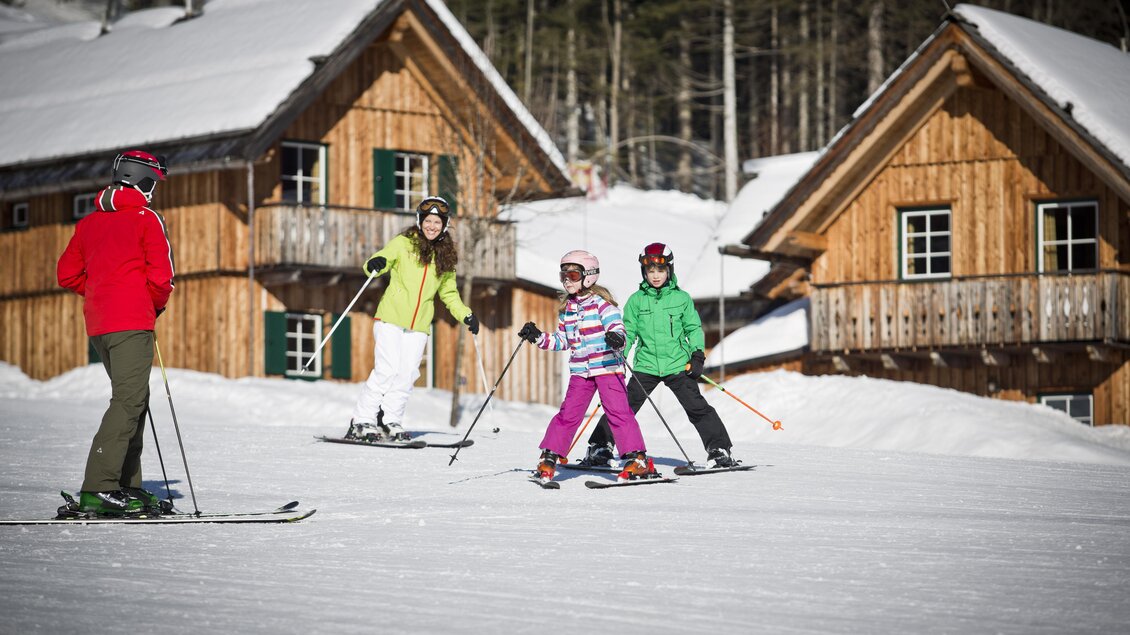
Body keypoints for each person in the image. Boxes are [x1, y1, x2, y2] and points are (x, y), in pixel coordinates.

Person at [56, 150, 175, 515]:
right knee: (128, 401)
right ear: (141, 180)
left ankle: (125, 485)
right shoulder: (146, 219)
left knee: (133, 399)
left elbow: (67, 274)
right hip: (132, 322)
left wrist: (103, 291)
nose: (154, 190)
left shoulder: (89, 223)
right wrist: (148, 303)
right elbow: (162, 277)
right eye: (152, 182)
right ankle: (100, 486)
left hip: (100, 324)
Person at [578, 242, 740, 469]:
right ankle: (600, 446)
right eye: (650, 271)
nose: (655, 276)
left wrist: (697, 356)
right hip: (646, 366)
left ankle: (719, 450)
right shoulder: (636, 300)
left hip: (677, 365)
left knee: (697, 407)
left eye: (660, 271)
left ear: (669, 270)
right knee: (621, 407)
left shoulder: (681, 299)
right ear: (644, 272)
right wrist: (617, 359)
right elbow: (629, 332)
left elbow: (693, 328)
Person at [346, 196, 479, 442]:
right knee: (386, 370)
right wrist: (375, 263)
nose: (432, 226)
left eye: (437, 222)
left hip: (419, 324)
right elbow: (381, 260)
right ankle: (361, 421)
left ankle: (390, 421)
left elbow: (449, 293)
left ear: (445, 225)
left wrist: (465, 314)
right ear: (419, 221)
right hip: (391, 317)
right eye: (427, 221)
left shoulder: (446, 257)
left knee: (407, 374)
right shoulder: (404, 243)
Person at [517, 250, 657, 482]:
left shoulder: (603, 306)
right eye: (563, 275)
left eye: (572, 274)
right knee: (568, 414)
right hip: (581, 371)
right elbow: (563, 341)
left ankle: (638, 459)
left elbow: (618, 329)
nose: (566, 279)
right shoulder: (568, 309)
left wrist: (617, 339)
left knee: (618, 413)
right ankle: (550, 456)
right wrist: (539, 337)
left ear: (589, 276)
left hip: (607, 368)